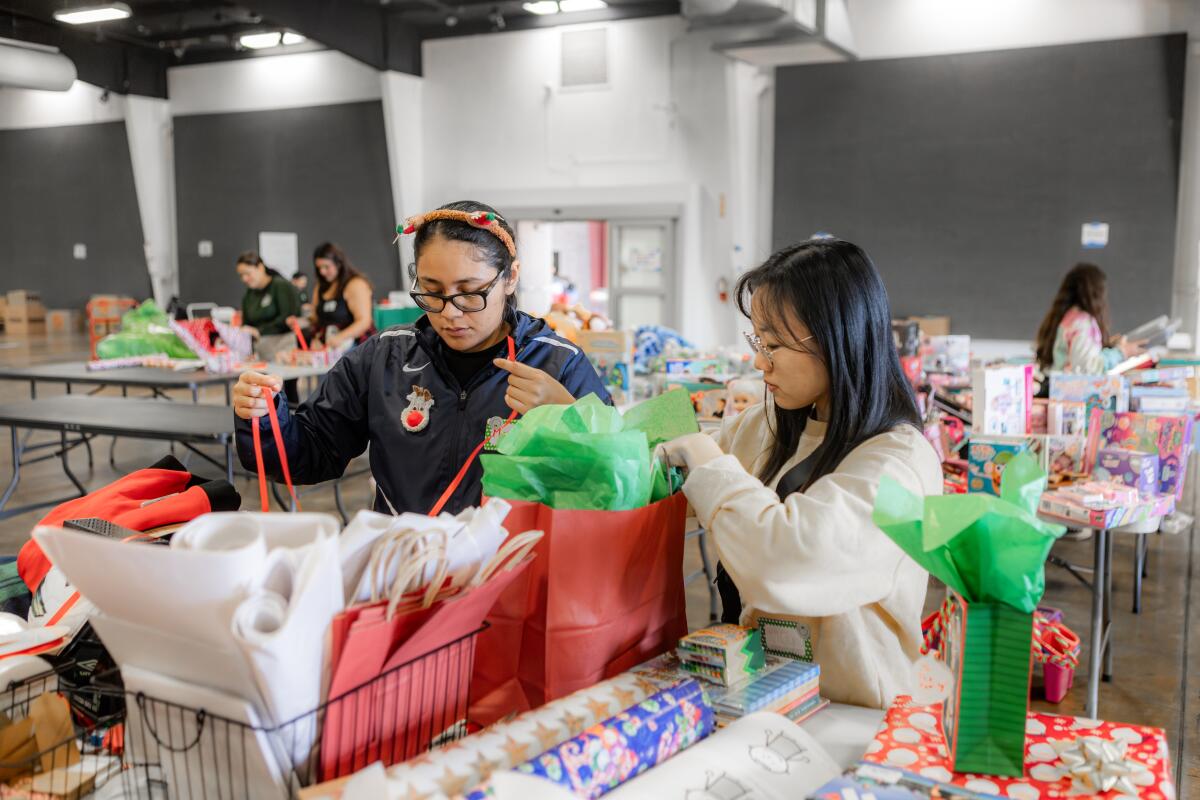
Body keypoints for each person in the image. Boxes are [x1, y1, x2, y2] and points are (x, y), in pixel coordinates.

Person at [657, 238, 943, 709]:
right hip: (764, 691)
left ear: (837, 338)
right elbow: (672, 487)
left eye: (772, 344)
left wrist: (705, 463)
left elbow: (790, 559)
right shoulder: (771, 423)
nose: (758, 361)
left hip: (853, 712)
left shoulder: (898, 463)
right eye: (758, 341)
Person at [232, 201, 612, 516]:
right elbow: (311, 452)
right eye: (432, 291)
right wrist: (264, 419)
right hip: (405, 570)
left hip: (510, 582)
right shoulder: (384, 358)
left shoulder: (558, 365)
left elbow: (616, 483)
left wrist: (570, 419)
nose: (450, 313)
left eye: (469, 292)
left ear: (510, 277)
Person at [1035, 263, 1143, 375]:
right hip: (1073, 389)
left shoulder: (1067, 317)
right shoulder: (1083, 323)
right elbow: (1088, 367)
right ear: (1097, 294)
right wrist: (1122, 352)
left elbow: (1079, 355)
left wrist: (1110, 346)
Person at [236, 251, 302, 402]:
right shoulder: (249, 294)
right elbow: (247, 323)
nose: (244, 279)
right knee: (263, 395)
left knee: (286, 393)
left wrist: (260, 331)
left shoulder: (281, 286)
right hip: (261, 352)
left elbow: (288, 318)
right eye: (241, 276)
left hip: (282, 348)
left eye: (247, 273)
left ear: (260, 267)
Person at [305, 243, 376, 350]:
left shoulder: (356, 284)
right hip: (330, 348)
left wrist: (339, 337)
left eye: (326, 267)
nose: (322, 272)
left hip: (358, 347)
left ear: (338, 264)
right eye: (319, 268)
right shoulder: (320, 286)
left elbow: (364, 321)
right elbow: (315, 318)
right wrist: (300, 323)